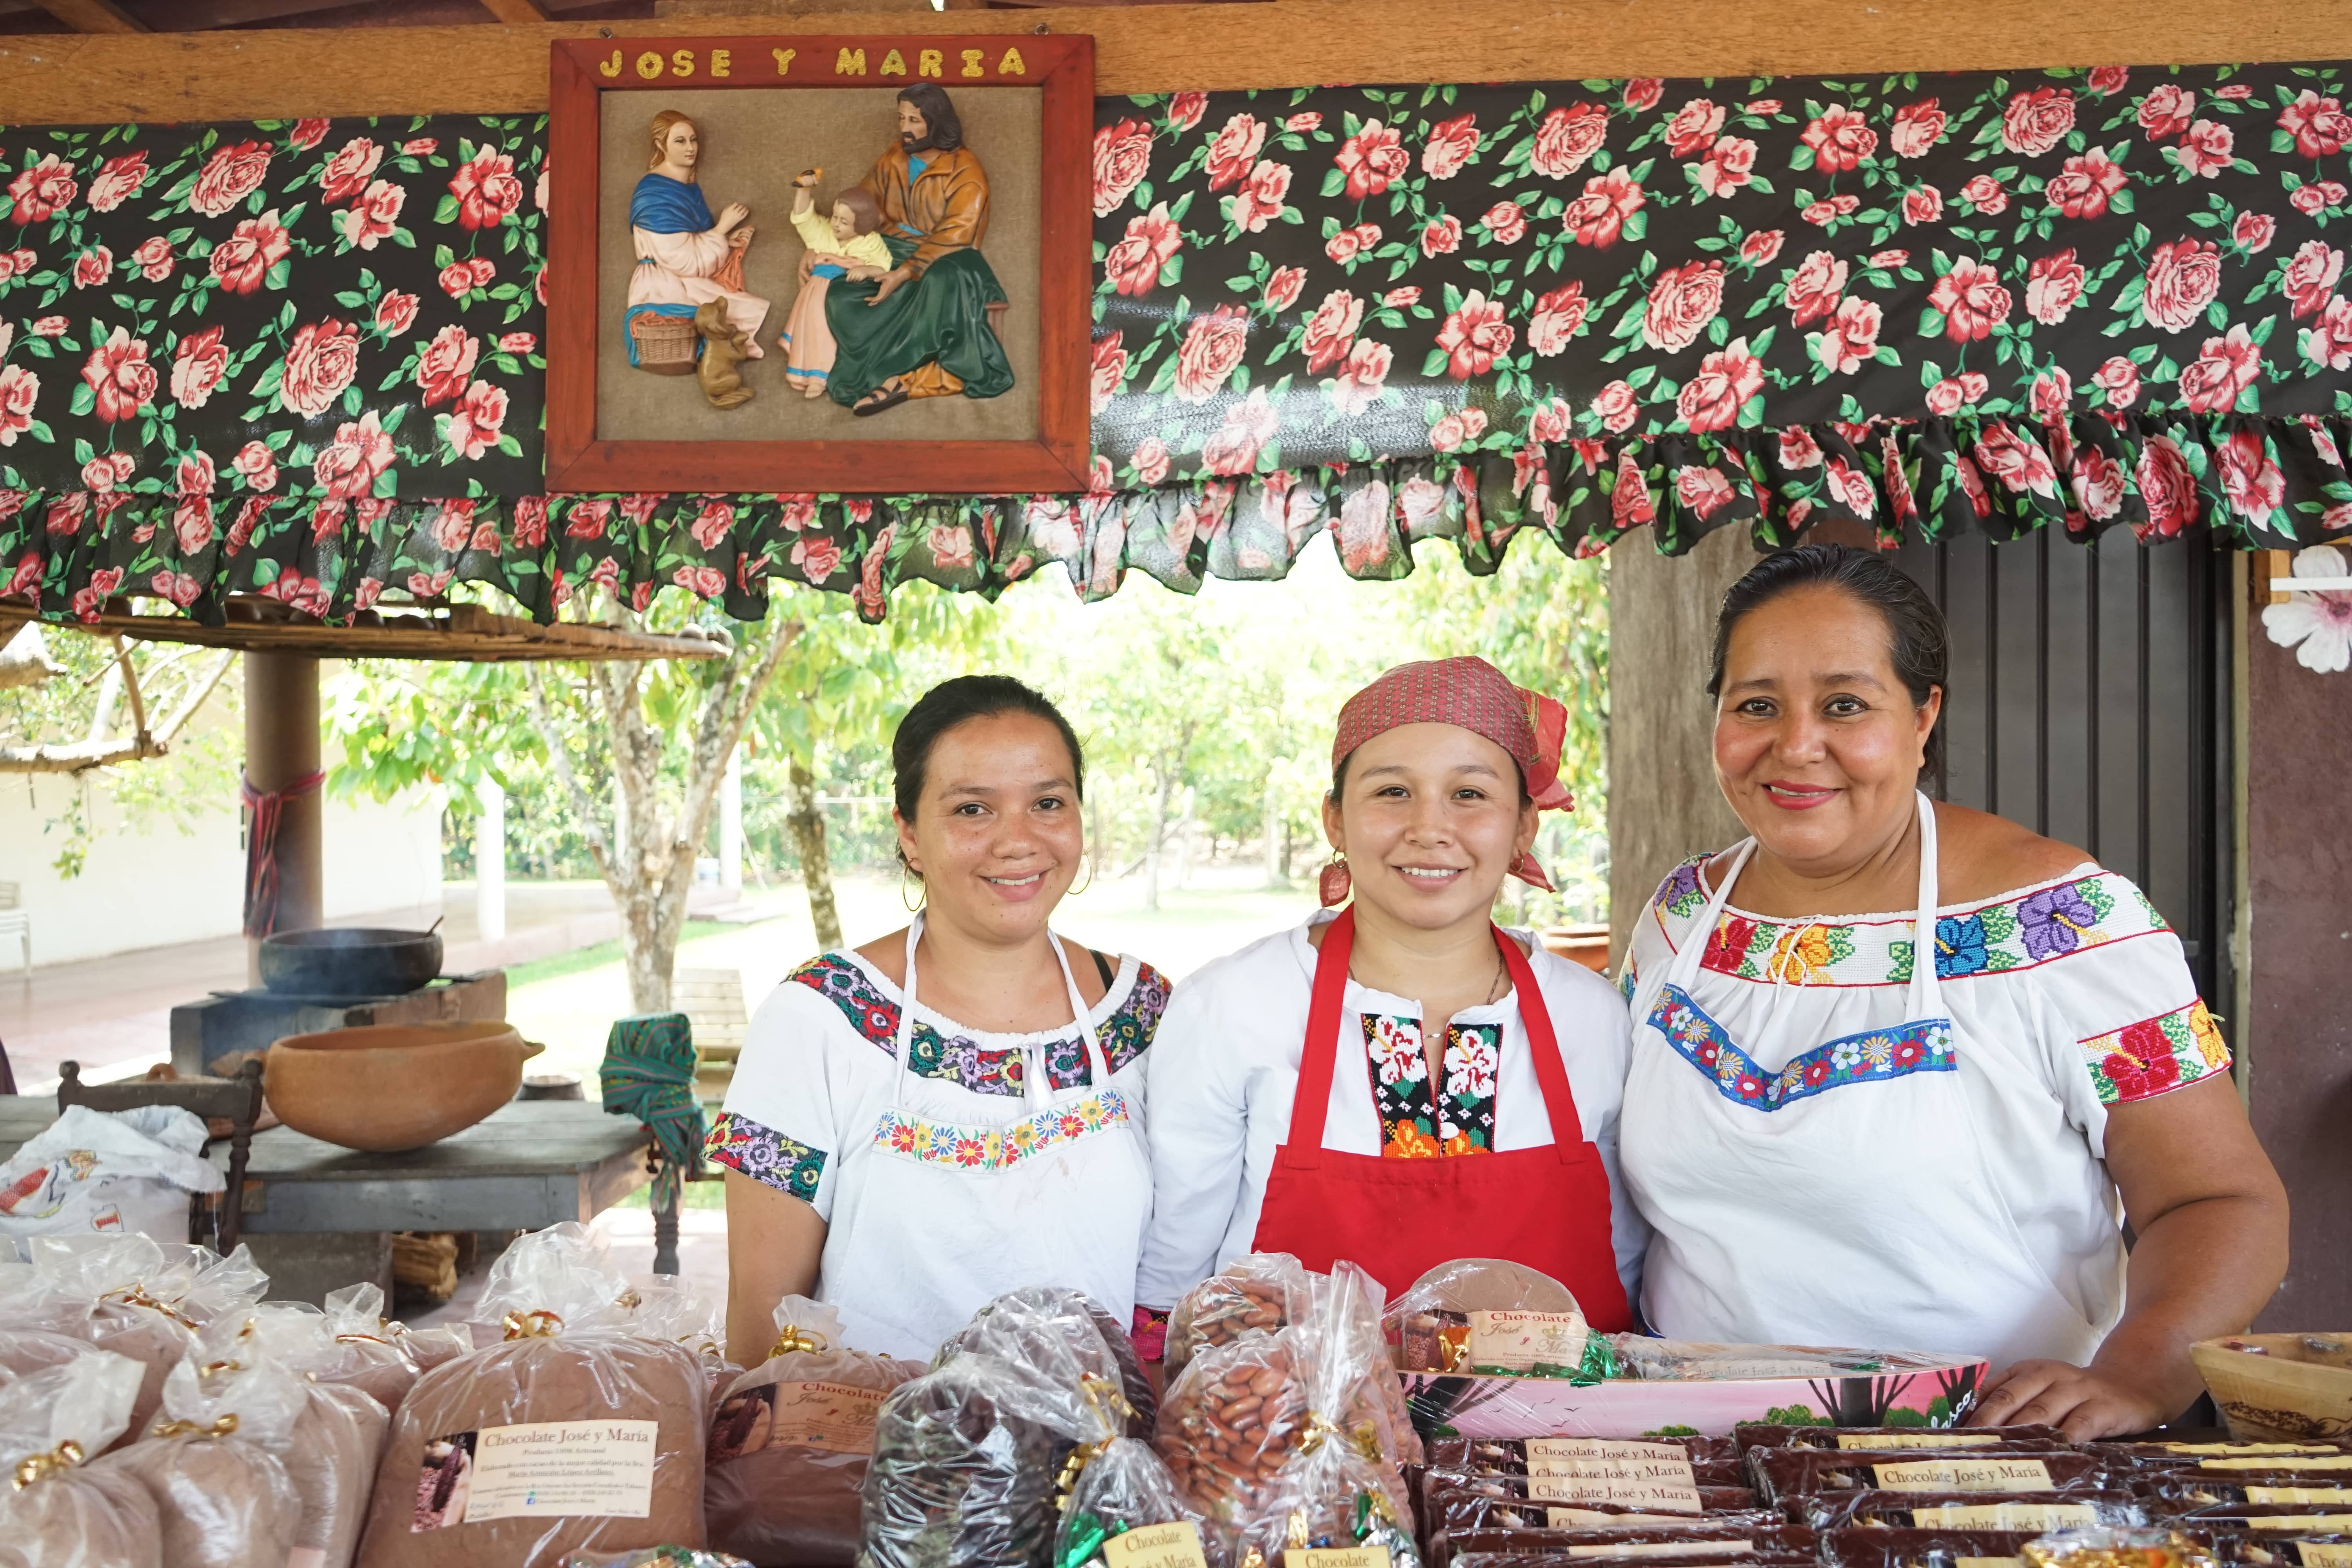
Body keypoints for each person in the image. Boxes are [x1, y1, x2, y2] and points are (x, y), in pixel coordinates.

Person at [1617, 543, 2288, 1439]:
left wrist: (2144, 1370)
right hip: (1694, 1449)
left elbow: (2220, 1200)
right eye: (1756, 705)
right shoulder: (1680, 918)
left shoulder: (2065, 923)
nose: (1797, 744)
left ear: (1924, 712)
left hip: (1982, 1459)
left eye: (1845, 705)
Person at [1136, 657, 1648, 1348]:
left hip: (1564, 1438)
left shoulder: (1593, 1017)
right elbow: (1175, 1280)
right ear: (1335, 820)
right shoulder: (1231, 1006)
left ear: (1524, 826)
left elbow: (1626, 1263)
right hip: (1299, 1440)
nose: (1429, 828)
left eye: (1469, 794)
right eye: (1391, 792)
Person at [709, 676, 1170, 1362]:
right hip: (871, 1457)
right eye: (971, 810)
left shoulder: (1142, 1012)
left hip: (1097, 1452)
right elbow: (763, 1322)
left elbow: (1172, 1285)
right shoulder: (820, 1019)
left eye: (1048, 803)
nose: (1018, 841)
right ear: (910, 834)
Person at [820, 82, 1014, 417]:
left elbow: (957, 233)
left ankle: (907, 379)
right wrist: (823, 246)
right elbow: (862, 210)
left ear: (937, 122)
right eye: (902, 119)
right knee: (842, 294)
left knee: (938, 284)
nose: (905, 129)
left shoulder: (966, 170)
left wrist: (904, 273)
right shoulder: (894, 158)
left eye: (915, 120)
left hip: (950, 260)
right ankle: (871, 374)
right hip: (890, 249)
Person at [626, 109, 769, 367]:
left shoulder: (686, 186)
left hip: (682, 278)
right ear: (661, 145)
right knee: (731, 313)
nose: (691, 148)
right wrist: (721, 228)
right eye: (680, 141)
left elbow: (692, 240)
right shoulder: (655, 194)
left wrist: (725, 240)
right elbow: (682, 260)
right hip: (664, 286)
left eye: (693, 140)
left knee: (741, 308)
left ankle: (732, 350)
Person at [780, 167, 893, 398]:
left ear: (861, 225)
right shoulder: (824, 233)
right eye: (835, 217)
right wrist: (804, 190)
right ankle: (803, 373)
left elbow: (884, 268)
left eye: (844, 222)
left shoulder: (871, 243)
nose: (836, 225)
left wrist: (865, 269)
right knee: (809, 334)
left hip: (841, 300)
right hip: (813, 298)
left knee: (827, 336)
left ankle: (820, 379)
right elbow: (803, 219)